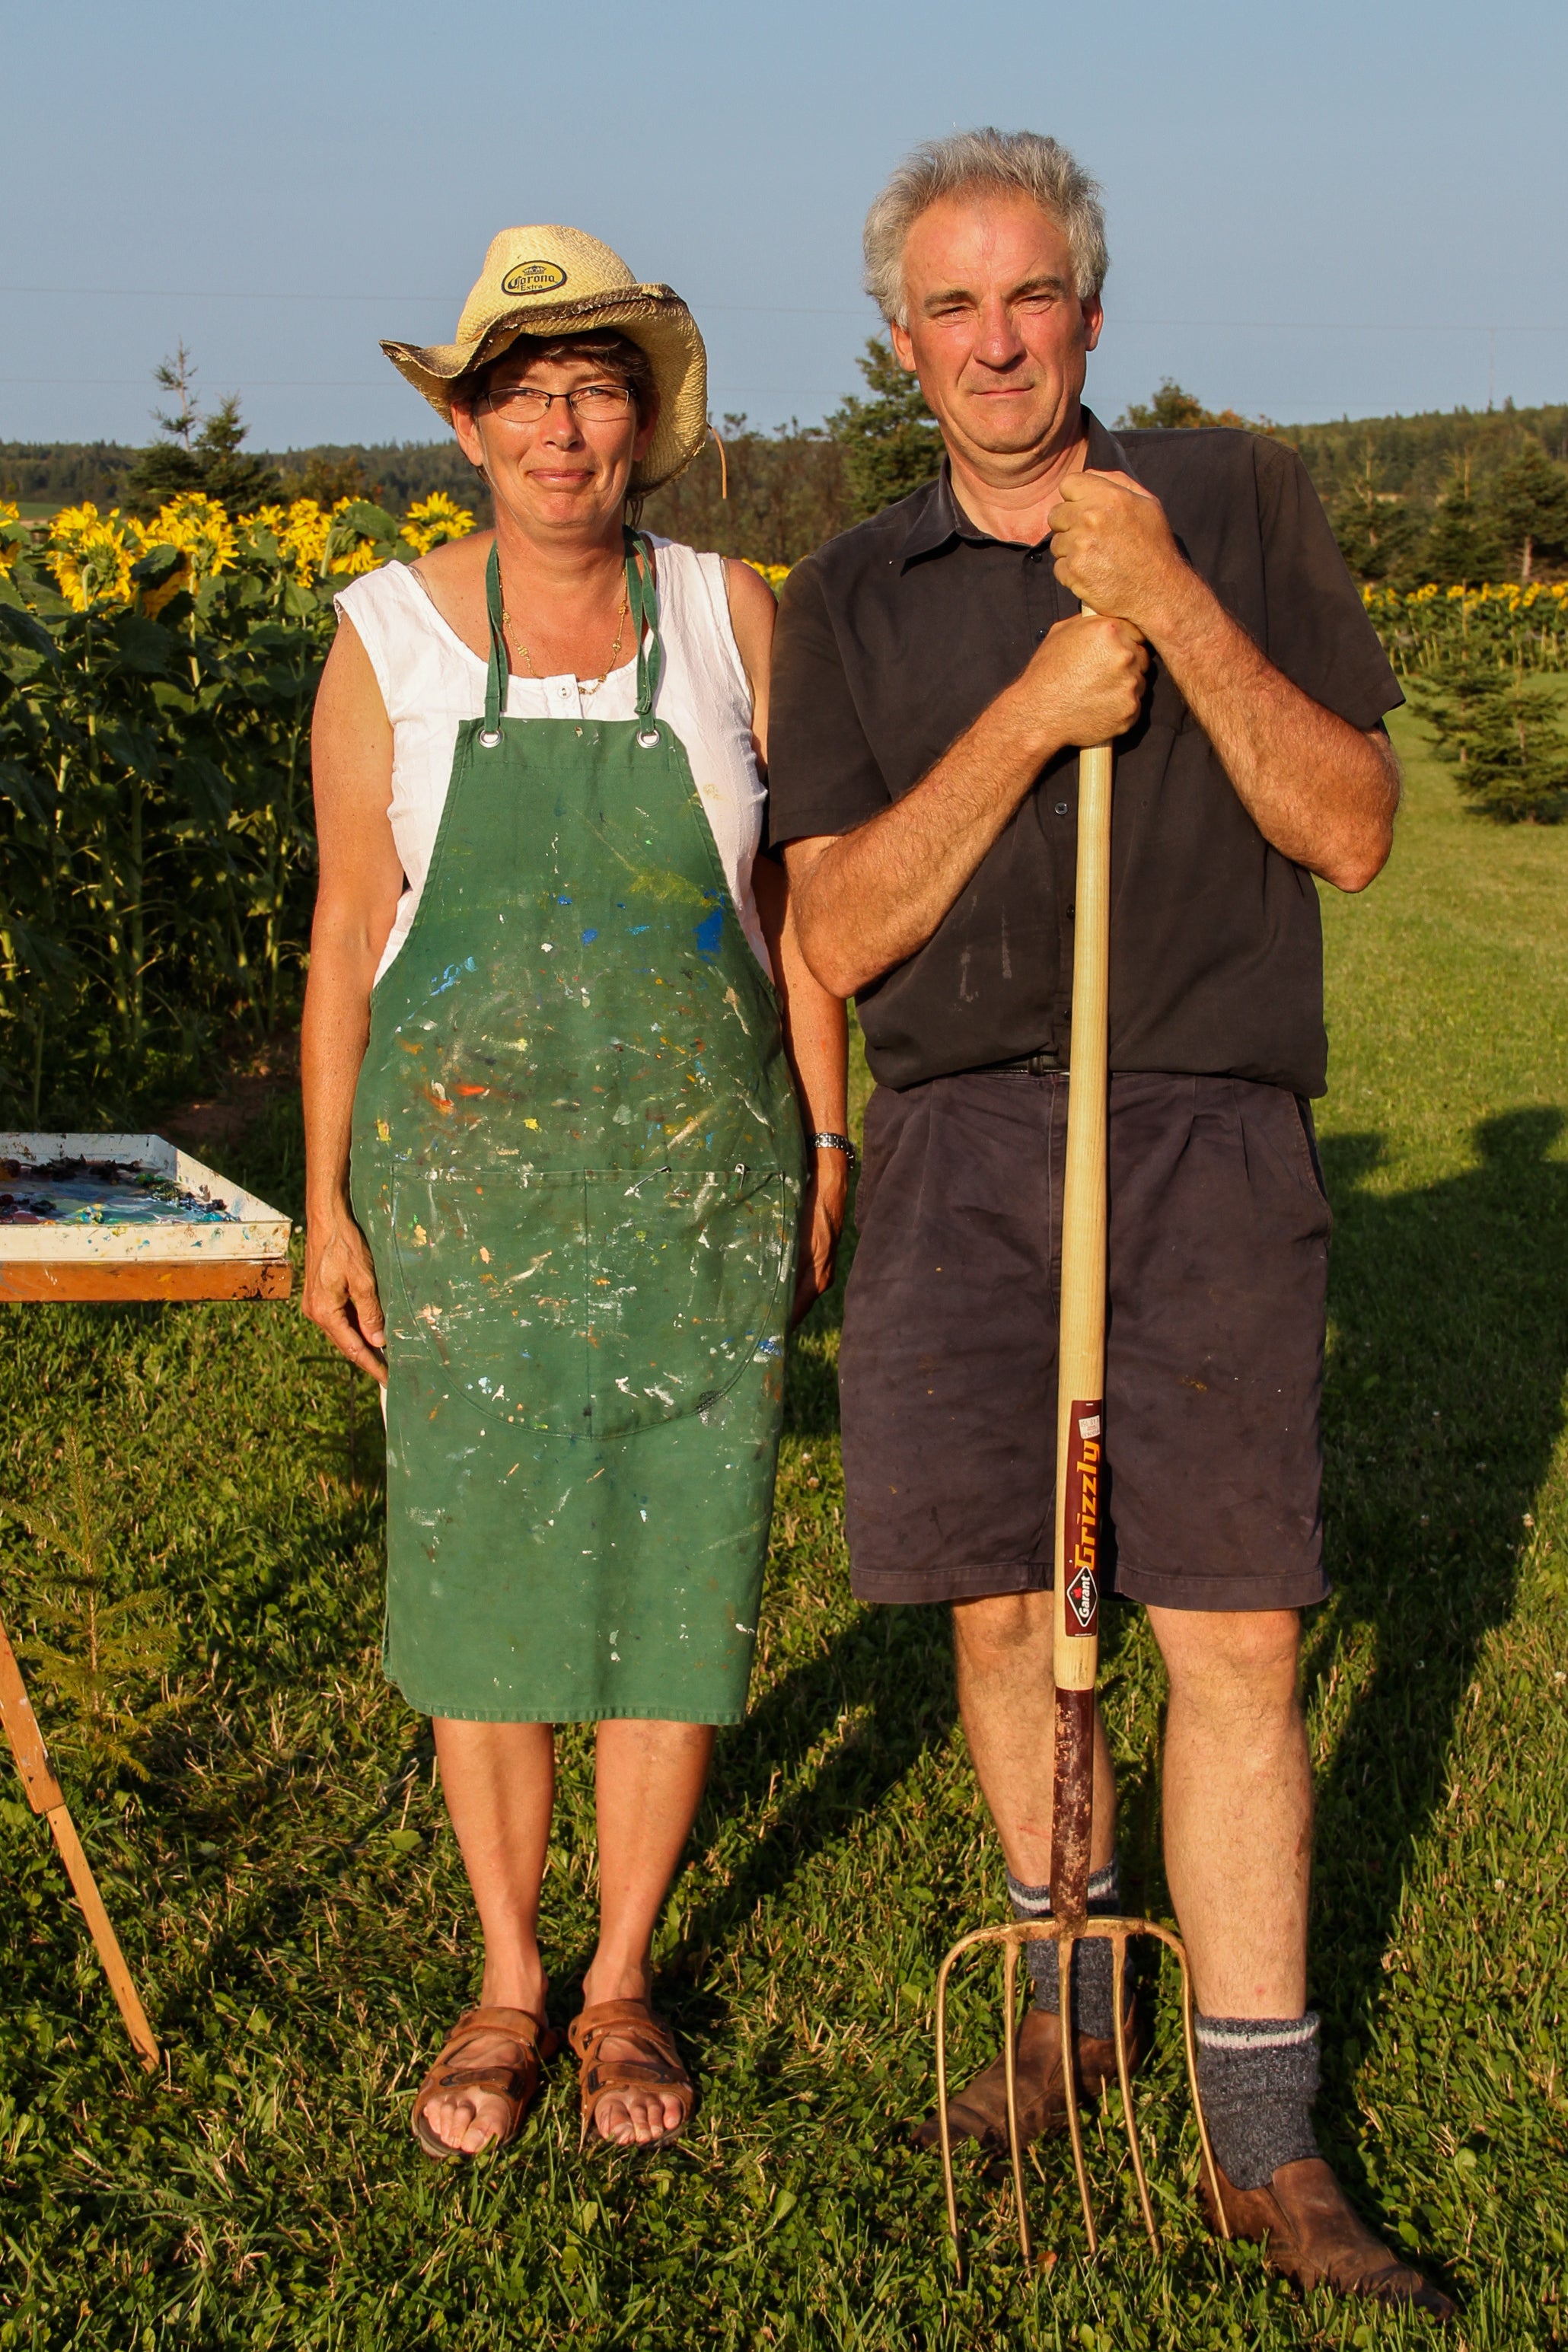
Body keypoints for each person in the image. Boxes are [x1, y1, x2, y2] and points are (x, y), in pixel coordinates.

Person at [766, 134, 1452, 2317]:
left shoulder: (1231, 504)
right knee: (996, 1611)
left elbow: (1344, 829)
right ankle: (1065, 2010)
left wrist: (1163, 609)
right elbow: (846, 925)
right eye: (950, 307)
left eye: (1029, 296)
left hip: (1204, 1136)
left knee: (1231, 1632)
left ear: (1090, 309)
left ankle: (1264, 2131)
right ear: (900, 342)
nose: (993, 339)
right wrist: (1035, 708)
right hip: (967, 1141)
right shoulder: (853, 596)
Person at [301, 225, 849, 2158]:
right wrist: (329, 1205)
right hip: (457, 1190)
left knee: (681, 1569)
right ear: (465, 423)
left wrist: (827, 1137)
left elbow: (796, 917)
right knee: (488, 1577)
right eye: (521, 387)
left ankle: (624, 1978)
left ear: (646, 422)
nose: (560, 422)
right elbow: (347, 927)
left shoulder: (735, 617)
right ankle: (507, 1978)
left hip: (705, 1179)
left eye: (595, 383)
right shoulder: (384, 638)